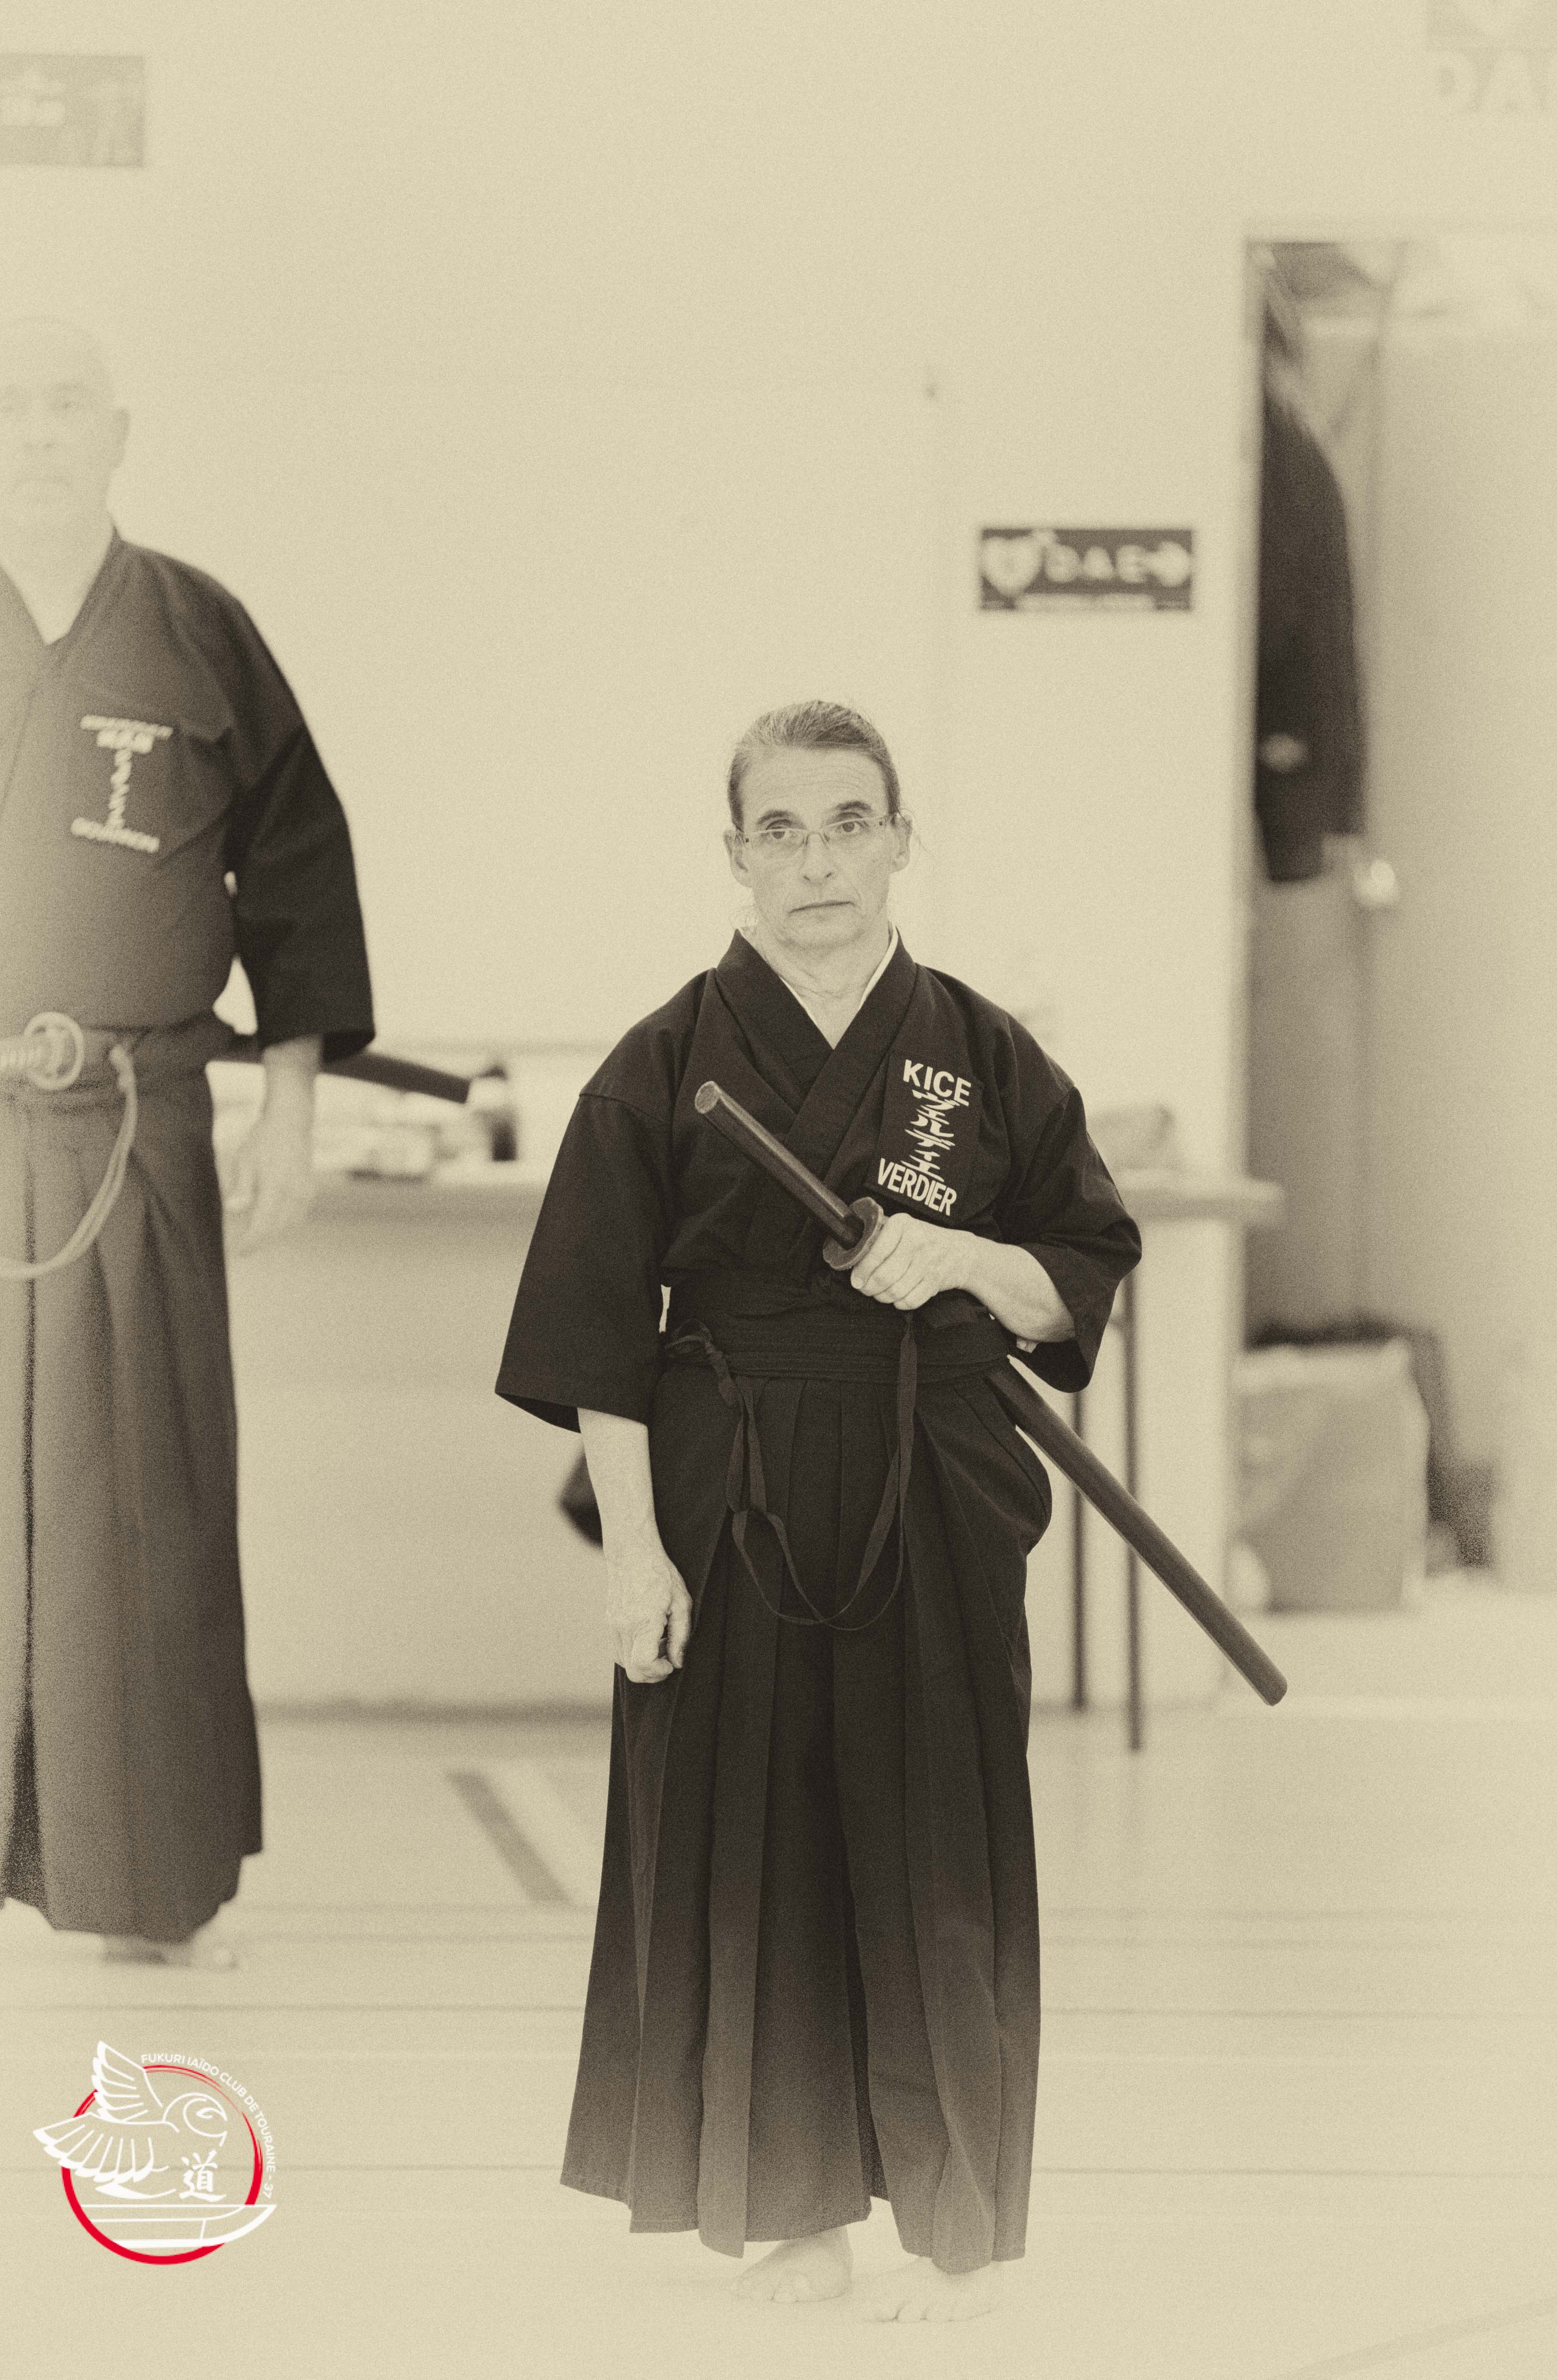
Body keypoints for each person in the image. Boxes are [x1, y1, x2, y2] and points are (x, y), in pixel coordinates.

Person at [496, 700, 1140, 2321]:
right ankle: (790, 2213)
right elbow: (593, 1330)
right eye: (779, 831)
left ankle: (958, 2226)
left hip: (932, 1477)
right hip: (727, 1490)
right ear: (736, 855)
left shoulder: (983, 1054)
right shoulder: (665, 1059)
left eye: (851, 823)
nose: (818, 863)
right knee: (754, 1848)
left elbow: (1078, 1272)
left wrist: (967, 1256)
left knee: (941, 1847)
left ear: (901, 838)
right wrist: (634, 1554)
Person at [0, 318, 374, 1965]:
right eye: (6, 402)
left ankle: (148, 1882)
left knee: (140, 1501)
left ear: (117, 432)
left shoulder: (198, 628)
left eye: (66, 402)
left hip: (138, 1125)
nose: (37, 430)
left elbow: (298, 868)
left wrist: (294, 1105)